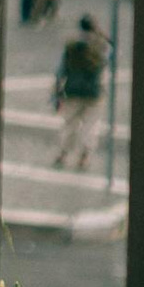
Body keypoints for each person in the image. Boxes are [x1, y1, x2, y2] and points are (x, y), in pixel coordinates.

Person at [51, 13, 110, 172]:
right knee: (90, 126)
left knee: (70, 124)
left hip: (72, 91)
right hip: (94, 93)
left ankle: (63, 153)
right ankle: (84, 156)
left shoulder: (71, 46)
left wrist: (56, 93)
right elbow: (108, 60)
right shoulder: (100, 45)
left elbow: (60, 71)